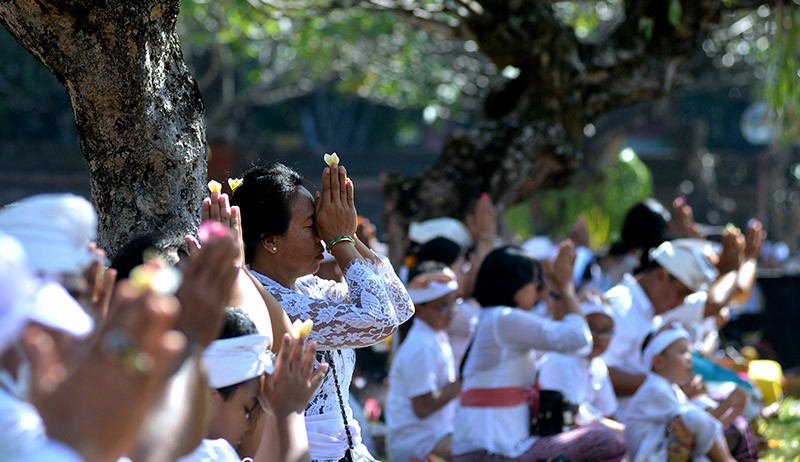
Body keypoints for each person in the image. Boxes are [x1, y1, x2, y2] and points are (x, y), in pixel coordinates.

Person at [230, 161, 414, 462]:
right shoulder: (262, 299)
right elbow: (379, 321)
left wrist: (349, 234)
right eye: (311, 226)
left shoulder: (309, 287)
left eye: (321, 224)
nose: (321, 236)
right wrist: (339, 240)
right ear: (271, 241)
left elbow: (400, 307)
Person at [452, 242, 625, 462]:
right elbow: (579, 340)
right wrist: (566, 289)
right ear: (514, 282)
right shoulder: (503, 319)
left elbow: (561, 332)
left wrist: (561, 291)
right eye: (535, 281)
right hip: (492, 452)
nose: (538, 288)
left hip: (489, 446)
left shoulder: (495, 319)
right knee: (607, 441)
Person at [180, 308, 327, 462]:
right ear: (210, 398)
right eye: (246, 410)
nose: (246, 426)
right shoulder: (206, 455)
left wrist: (277, 413)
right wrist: (292, 410)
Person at [602, 239, 719, 421]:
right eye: (680, 293)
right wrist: (669, 382)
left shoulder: (653, 309)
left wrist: (680, 379)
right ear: (661, 276)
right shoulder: (620, 306)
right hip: (622, 424)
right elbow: (600, 375)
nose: (680, 302)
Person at [624, 325, 736, 462]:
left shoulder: (672, 388)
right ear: (658, 361)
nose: (690, 359)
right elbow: (696, 422)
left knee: (700, 406)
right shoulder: (656, 388)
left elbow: (707, 425)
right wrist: (728, 404)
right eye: (683, 352)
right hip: (649, 456)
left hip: (663, 451)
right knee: (692, 416)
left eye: (690, 352)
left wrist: (735, 408)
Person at [386, 265, 461, 462]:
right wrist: (464, 380)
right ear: (419, 309)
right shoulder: (421, 344)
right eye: (442, 306)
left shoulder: (435, 336)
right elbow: (423, 408)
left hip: (433, 436)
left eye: (453, 303)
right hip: (418, 444)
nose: (451, 312)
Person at [538, 295, 620, 430]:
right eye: (591, 328)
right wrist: (619, 431)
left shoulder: (598, 365)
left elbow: (609, 413)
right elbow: (573, 416)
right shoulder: (562, 359)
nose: (599, 337)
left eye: (605, 331)